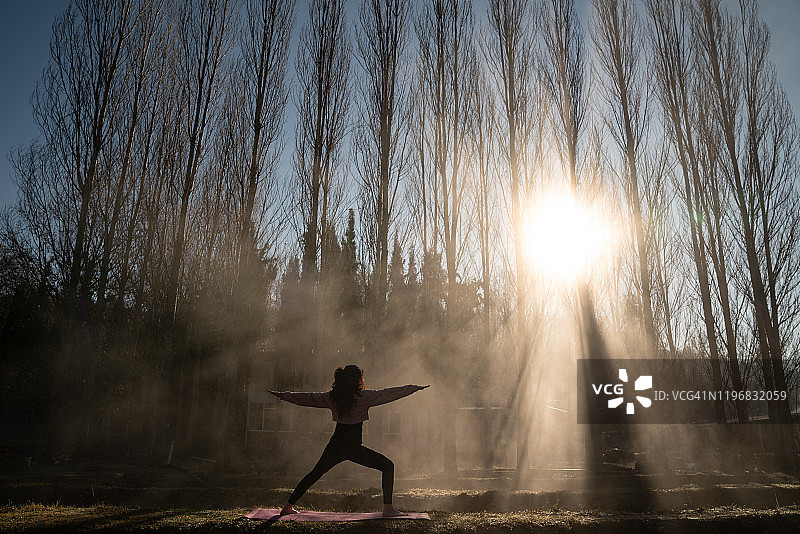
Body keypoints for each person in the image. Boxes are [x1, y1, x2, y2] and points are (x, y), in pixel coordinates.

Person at [267, 364, 429, 517]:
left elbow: (308, 398)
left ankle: (288, 507)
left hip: (336, 445)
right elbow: (387, 394)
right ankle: (388, 509)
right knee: (388, 466)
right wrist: (412, 389)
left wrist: (283, 395)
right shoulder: (363, 397)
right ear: (357, 380)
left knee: (315, 474)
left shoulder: (332, 397)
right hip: (352, 447)